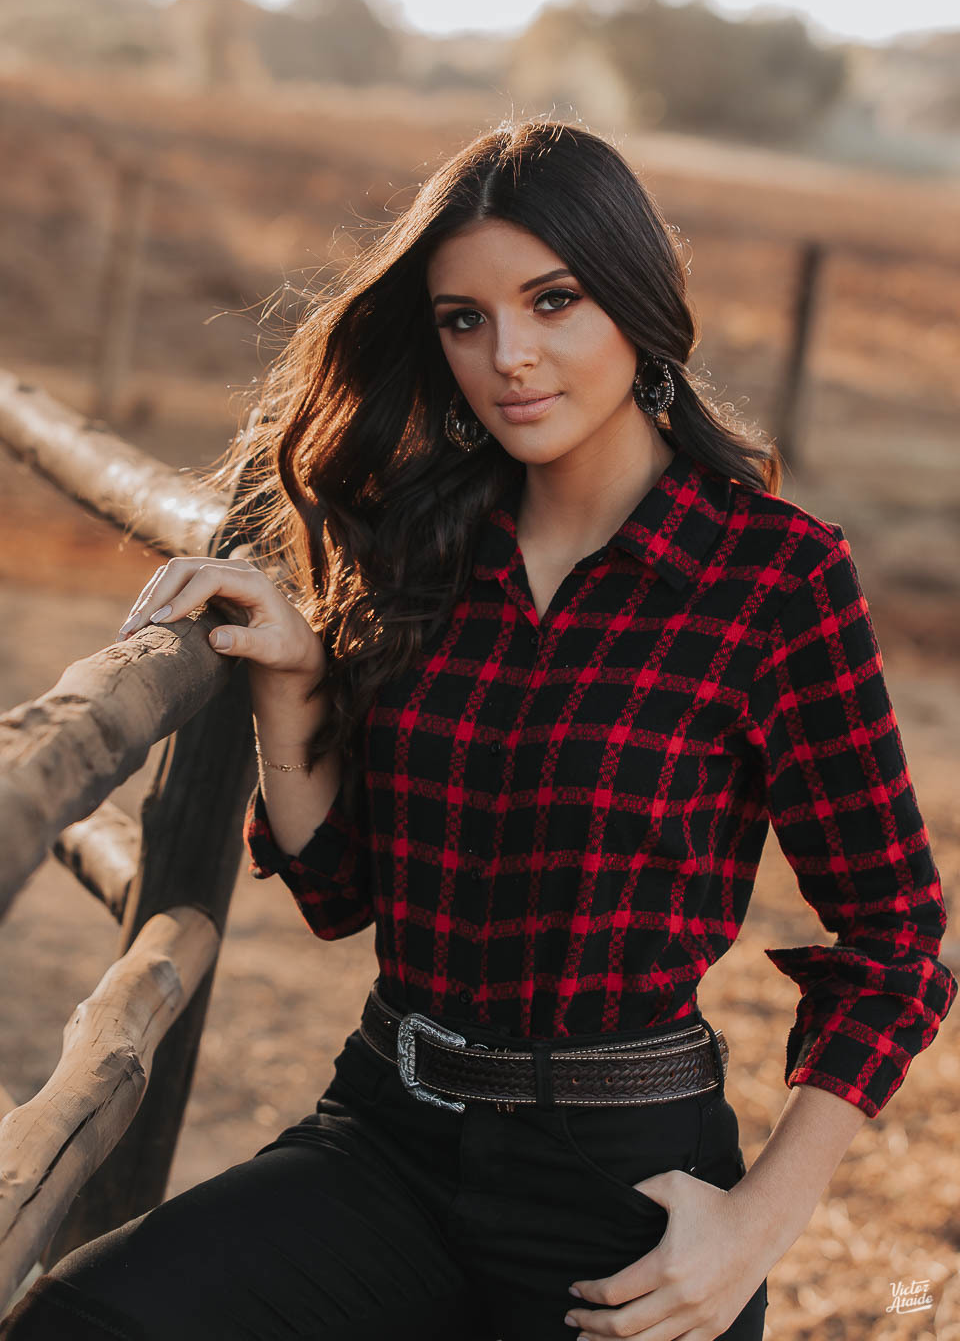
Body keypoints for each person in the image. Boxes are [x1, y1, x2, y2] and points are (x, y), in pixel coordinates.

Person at [4, 119, 955, 1341]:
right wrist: (297, 682)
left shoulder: (772, 580)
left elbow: (896, 943)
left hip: (625, 1189)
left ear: (636, 304)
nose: (510, 355)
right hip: (386, 1133)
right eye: (465, 319)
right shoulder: (424, 551)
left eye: (553, 301)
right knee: (80, 1323)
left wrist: (759, 1221)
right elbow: (342, 894)